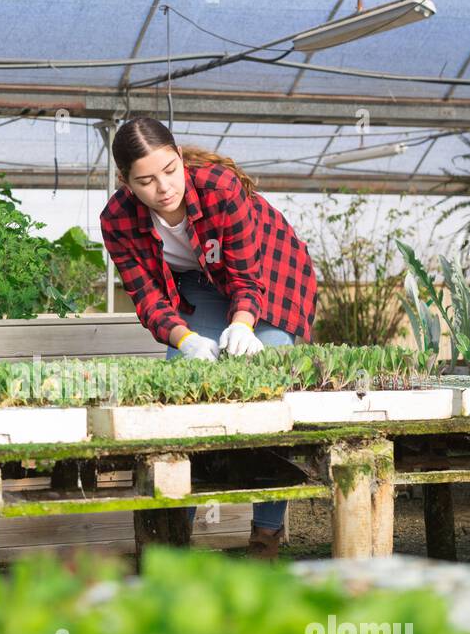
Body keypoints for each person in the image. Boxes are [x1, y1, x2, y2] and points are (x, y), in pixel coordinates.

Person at [99, 116, 318, 560]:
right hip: (194, 282)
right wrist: (185, 340)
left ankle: (265, 538)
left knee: (265, 393)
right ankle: (176, 539)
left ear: (180, 158)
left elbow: (245, 276)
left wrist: (242, 324)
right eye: (145, 181)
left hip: (270, 273)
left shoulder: (219, 188)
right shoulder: (117, 220)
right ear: (126, 183)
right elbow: (148, 297)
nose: (163, 188)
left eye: (170, 171)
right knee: (184, 392)